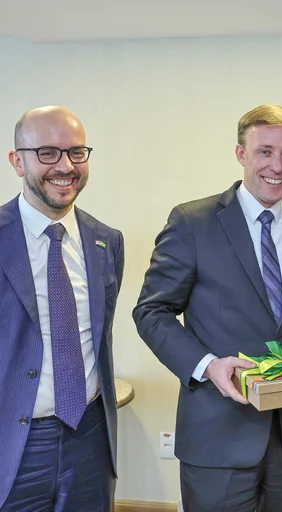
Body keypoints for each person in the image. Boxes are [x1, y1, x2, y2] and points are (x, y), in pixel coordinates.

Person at [133, 104, 282, 512]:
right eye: (265, 151)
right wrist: (206, 364)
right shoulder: (193, 222)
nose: (277, 165)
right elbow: (152, 312)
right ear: (241, 154)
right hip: (216, 438)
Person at [0, 106, 124, 510]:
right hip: (13, 444)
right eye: (48, 153)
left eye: (76, 152)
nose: (65, 166)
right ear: (17, 161)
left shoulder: (107, 241)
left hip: (89, 438)